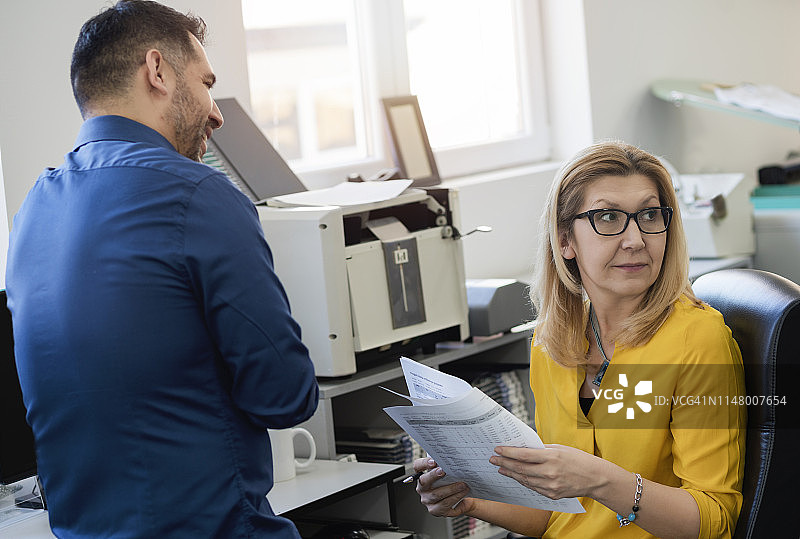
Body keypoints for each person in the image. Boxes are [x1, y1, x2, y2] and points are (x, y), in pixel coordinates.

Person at [5, 1, 319, 537]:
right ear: (157, 71)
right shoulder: (199, 194)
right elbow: (285, 395)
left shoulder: (33, 207)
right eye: (206, 83)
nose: (216, 112)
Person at [412, 141, 745, 538]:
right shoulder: (552, 340)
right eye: (608, 217)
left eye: (650, 215)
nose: (636, 239)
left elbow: (713, 519)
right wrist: (469, 501)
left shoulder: (699, 340)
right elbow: (563, 515)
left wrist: (602, 481)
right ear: (565, 240)